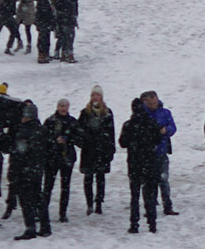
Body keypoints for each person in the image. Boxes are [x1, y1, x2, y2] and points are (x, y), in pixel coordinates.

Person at [7, 99, 51, 239]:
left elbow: (19, 152)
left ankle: (30, 228)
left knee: (26, 201)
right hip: (37, 170)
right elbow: (48, 149)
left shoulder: (23, 131)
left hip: (24, 170)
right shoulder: (42, 130)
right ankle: (45, 226)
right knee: (38, 198)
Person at [119, 98, 163, 234]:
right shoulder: (151, 123)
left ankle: (134, 223)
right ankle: (152, 223)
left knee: (135, 195)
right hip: (150, 162)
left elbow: (122, 142)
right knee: (150, 194)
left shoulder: (129, 125)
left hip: (134, 163)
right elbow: (158, 138)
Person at [74, 90, 114, 217]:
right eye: (93, 95)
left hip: (102, 150)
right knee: (88, 177)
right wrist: (83, 141)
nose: (95, 97)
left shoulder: (107, 113)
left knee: (100, 178)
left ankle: (99, 202)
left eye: (97, 95)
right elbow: (78, 129)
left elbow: (111, 131)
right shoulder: (85, 112)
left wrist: (110, 149)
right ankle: (89, 203)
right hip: (88, 150)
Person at [43, 98, 78, 222]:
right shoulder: (50, 121)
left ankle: (63, 213)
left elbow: (80, 138)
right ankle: (43, 211)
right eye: (61, 106)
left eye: (65, 106)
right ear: (57, 106)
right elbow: (43, 138)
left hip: (67, 157)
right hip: (52, 157)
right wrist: (54, 140)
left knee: (65, 186)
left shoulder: (72, 121)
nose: (63, 108)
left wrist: (68, 140)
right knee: (48, 185)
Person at [144, 90, 177, 215]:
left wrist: (166, 130)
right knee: (149, 182)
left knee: (164, 180)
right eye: (150, 102)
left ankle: (167, 206)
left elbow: (173, 128)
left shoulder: (165, 113)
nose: (152, 104)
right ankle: (150, 207)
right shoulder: (143, 114)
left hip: (161, 151)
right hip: (147, 153)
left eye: (154, 101)